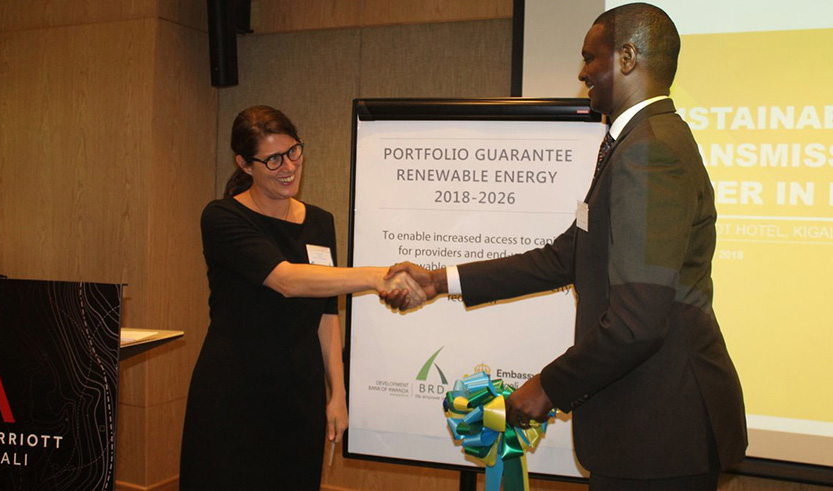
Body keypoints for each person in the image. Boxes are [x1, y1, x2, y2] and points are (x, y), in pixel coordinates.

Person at [382, 4, 747, 489]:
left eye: (590, 58)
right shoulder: (637, 143)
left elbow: (637, 323)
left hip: (658, 430)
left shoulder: (649, 152)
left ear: (628, 57)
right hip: (648, 426)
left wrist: (547, 387)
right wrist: (440, 280)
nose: (582, 72)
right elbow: (564, 257)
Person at [180, 105, 422, 490]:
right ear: (244, 164)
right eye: (272, 159)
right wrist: (376, 276)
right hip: (234, 392)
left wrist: (337, 394)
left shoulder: (320, 221)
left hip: (299, 393)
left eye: (293, 151)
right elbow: (287, 280)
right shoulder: (222, 217)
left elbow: (327, 313)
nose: (288, 166)